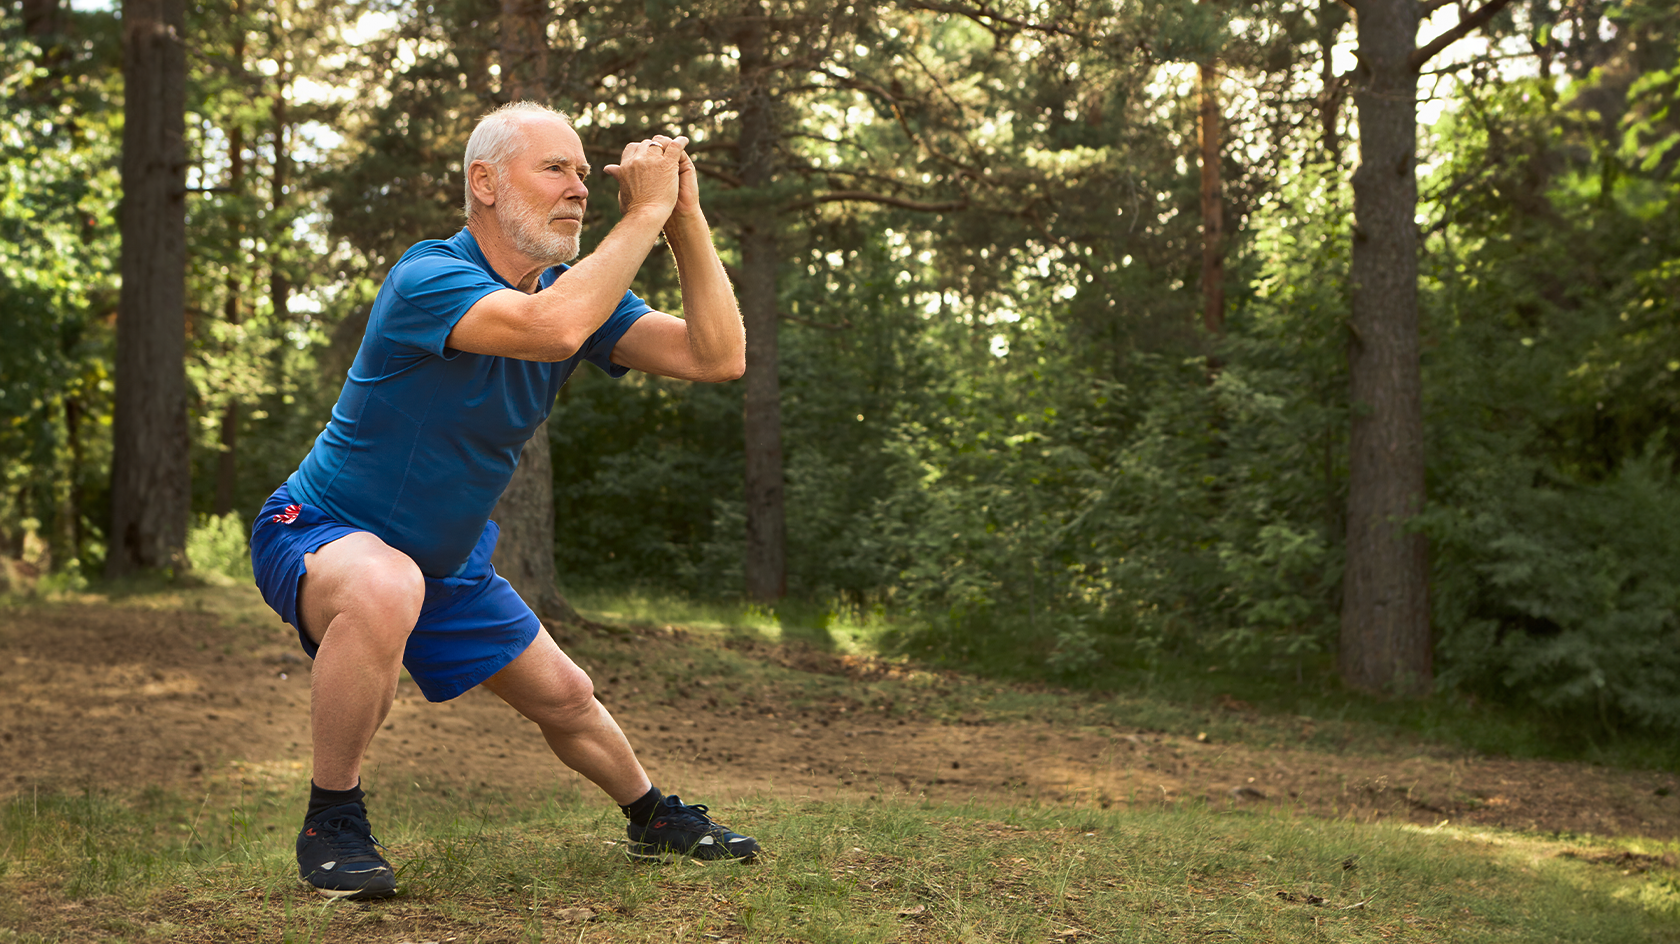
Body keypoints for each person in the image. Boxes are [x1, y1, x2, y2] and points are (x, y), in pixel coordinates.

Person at [249, 101, 757, 901]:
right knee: (387, 584)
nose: (581, 188)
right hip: (320, 531)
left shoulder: (574, 296)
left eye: (587, 172)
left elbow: (718, 355)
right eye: (556, 168)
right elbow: (551, 328)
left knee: (567, 697)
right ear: (484, 183)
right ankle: (332, 819)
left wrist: (682, 219)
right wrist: (647, 208)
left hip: (444, 564)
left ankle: (654, 819)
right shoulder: (429, 277)